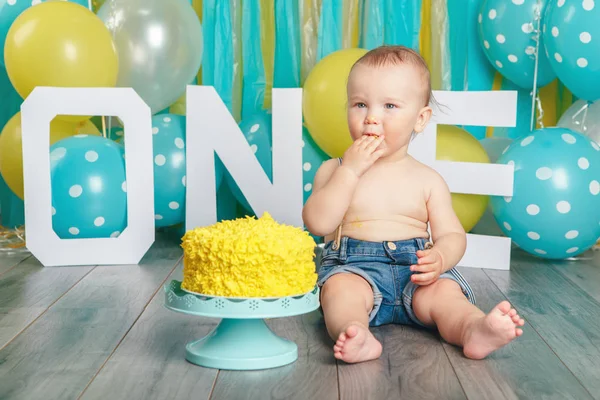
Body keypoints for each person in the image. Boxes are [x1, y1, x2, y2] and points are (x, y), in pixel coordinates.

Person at [302, 45, 524, 364]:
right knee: (339, 293)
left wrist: (440, 256)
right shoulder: (334, 169)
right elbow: (318, 223)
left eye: (390, 105)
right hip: (354, 268)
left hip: (417, 271)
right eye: (360, 104)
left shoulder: (427, 179)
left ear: (420, 119)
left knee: (446, 297)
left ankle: (472, 328)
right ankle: (355, 332)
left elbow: (452, 235)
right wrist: (349, 171)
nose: (372, 118)